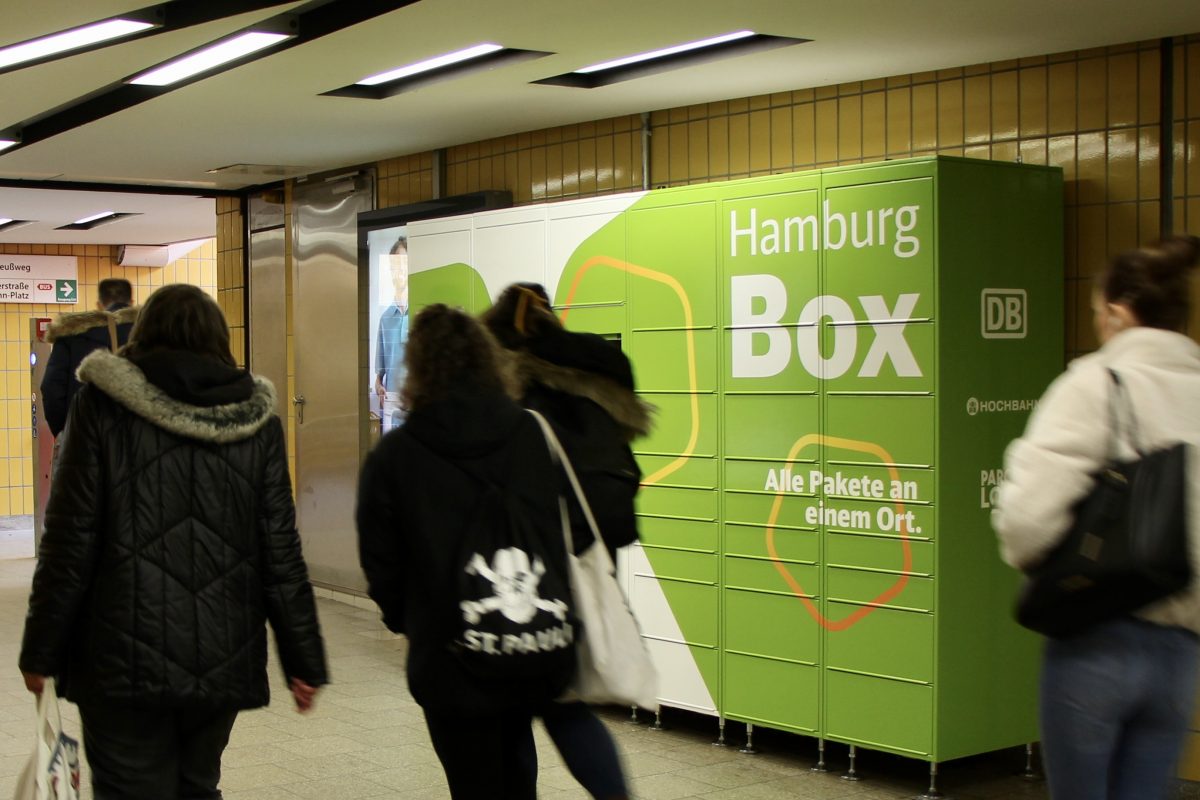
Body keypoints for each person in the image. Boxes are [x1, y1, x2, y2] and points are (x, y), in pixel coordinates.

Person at [19, 283, 328, 800]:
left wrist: (40, 648)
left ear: (143, 337)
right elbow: (281, 553)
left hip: (117, 656)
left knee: (127, 788)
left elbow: (70, 539)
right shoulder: (258, 424)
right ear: (219, 342)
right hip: (220, 651)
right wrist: (305, 659)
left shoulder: (100, 407)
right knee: (197, 785)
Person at [992, 235, 1200, 800]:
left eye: (1095, 313)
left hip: (1096, 639)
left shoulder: (1095, 384)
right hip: (1181, 652)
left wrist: (1045, 563)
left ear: (1116, 311)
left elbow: (1026, 522)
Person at [356, 304, 578, 800]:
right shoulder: (529, 432)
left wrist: (409, 619)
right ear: (486, 360)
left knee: (471, 779)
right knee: (517, 771)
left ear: (418, 368)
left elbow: (381, 562)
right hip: (524, 645)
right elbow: (559, 531)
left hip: (446, 654)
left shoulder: (396, 455)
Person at [482, 283, 652, 800]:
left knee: (515, 704)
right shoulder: (595, 376)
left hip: (529, 567)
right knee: (565, 701)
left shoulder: (513, 388)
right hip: (589, 557)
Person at [41, 277, 138, 437]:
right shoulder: (151, 333)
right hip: (137, 440)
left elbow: (51, 388)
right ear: (131, 302)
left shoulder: (71, 336)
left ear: (99, 305)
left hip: (85, 436)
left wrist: (65, 431)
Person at [374, 236, 410, 432]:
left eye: (404, 263)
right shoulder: (386, 318)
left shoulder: (422, 315)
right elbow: (379, 376)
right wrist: (379, 387)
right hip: (393, 412)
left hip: (419, 408)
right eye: (396, 265)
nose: (400, 270)